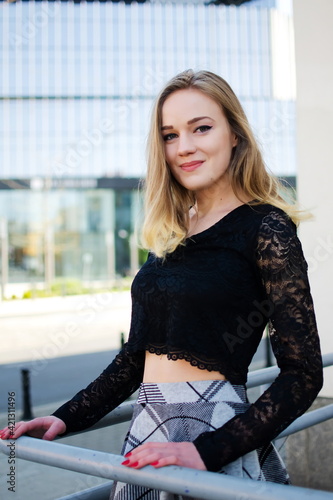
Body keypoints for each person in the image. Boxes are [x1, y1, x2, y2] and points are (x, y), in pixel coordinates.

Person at [0, 70, 323, 499]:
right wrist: (66, 417)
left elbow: (303, 374)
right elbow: (135, 359)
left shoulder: (267, 228)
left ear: (235, 135)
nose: (184, 146)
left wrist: (208, 451)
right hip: (148, 429)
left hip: (213, 435)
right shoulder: (170, 234)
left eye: (201, 128)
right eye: (169, 135)